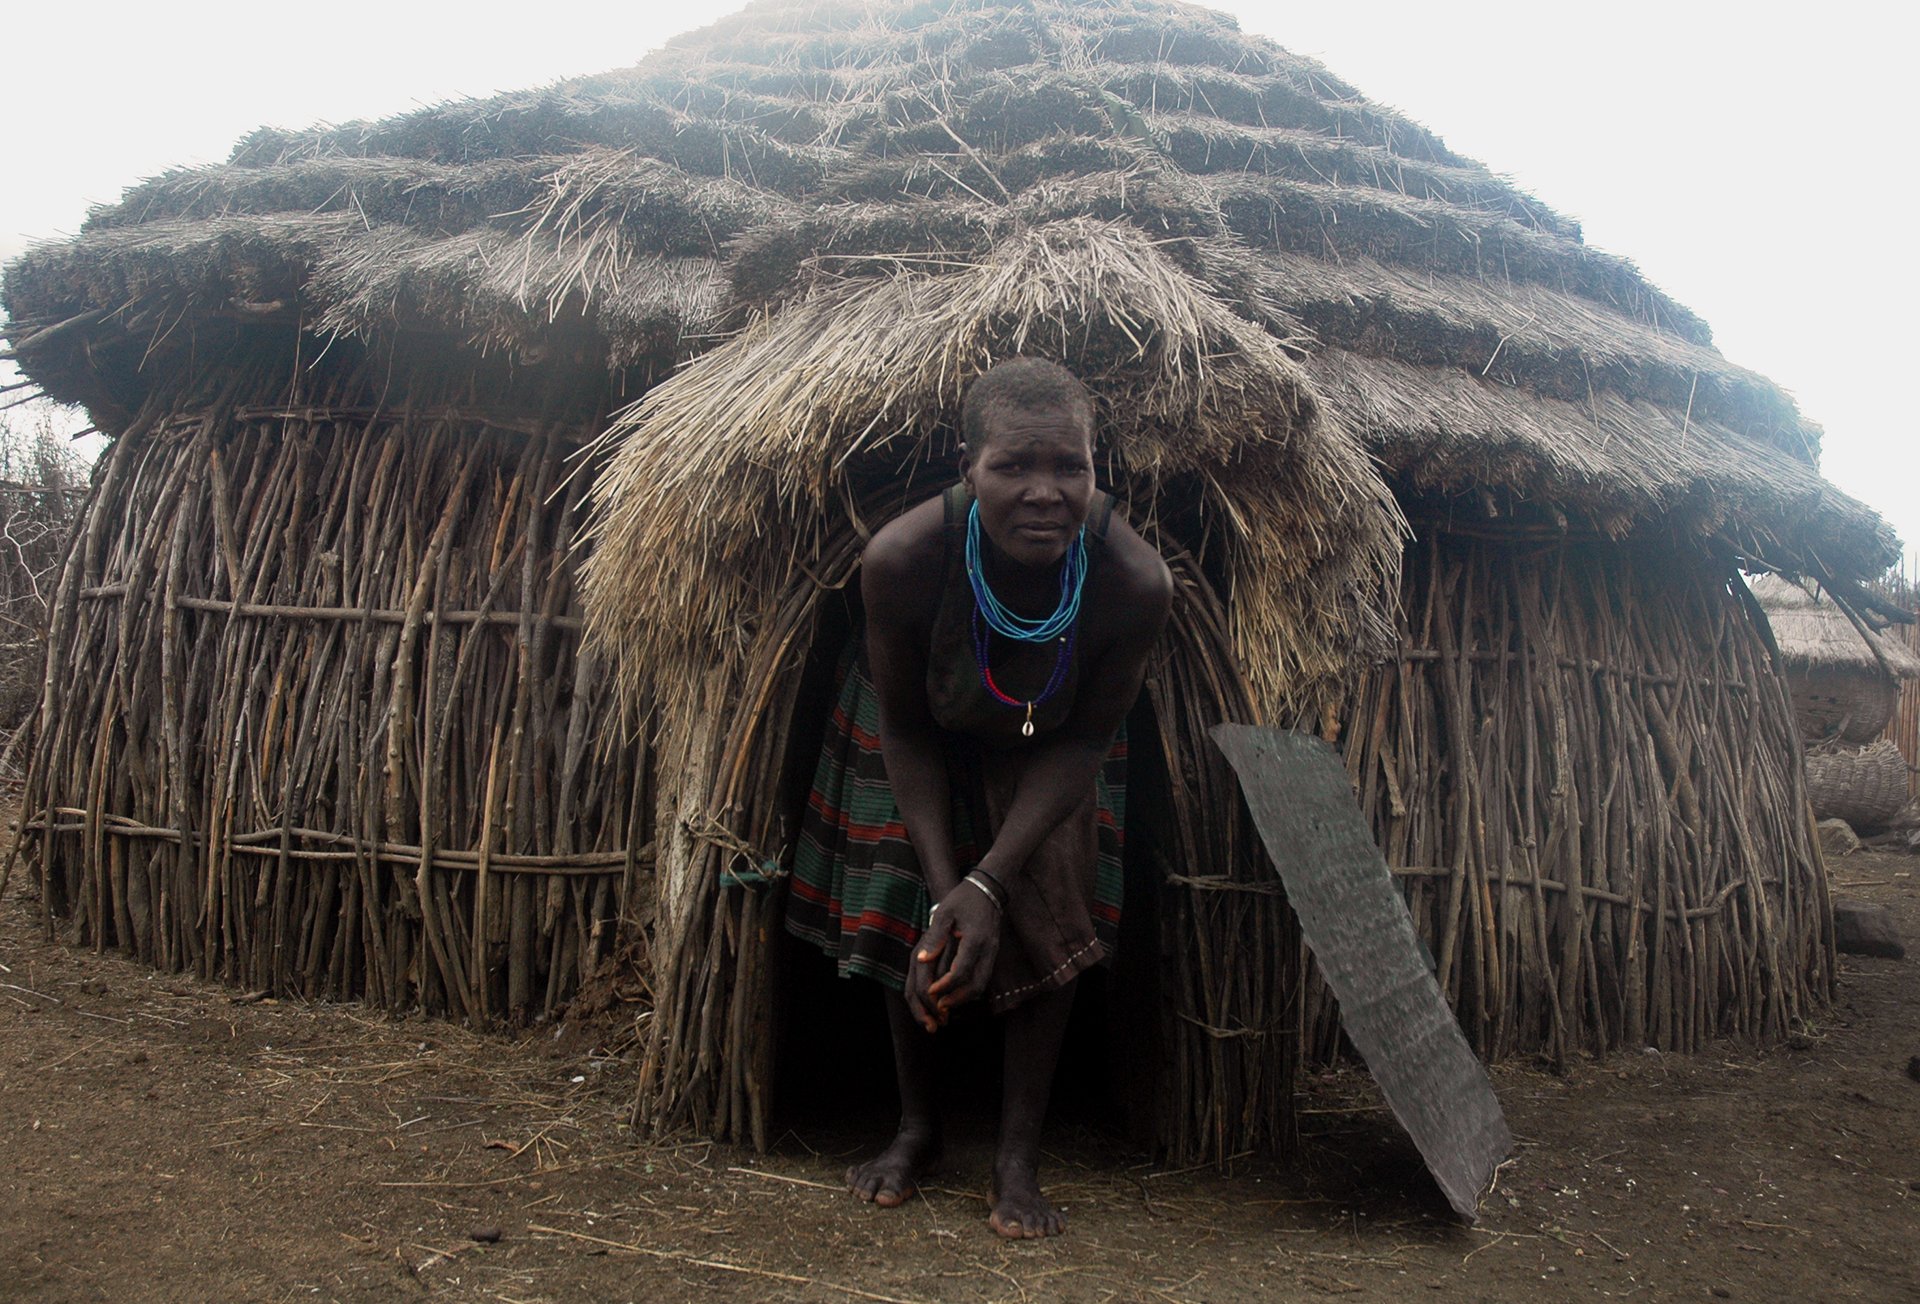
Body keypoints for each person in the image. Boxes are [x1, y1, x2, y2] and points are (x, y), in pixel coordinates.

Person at [784, 358, 1173, 1238]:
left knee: (1052, 893)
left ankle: (1015, 1159)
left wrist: (992, 884)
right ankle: (918, 1129)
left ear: (1095, 469)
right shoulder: (904, 560)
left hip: (1053, 746)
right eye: (1013, 467)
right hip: (918, 731)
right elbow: (909, 735)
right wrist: (945, 890)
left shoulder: (1130, 583)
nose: (1044, 492)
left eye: (1067, 467)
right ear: (970, 470)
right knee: (901, 895)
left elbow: (1082, 741)